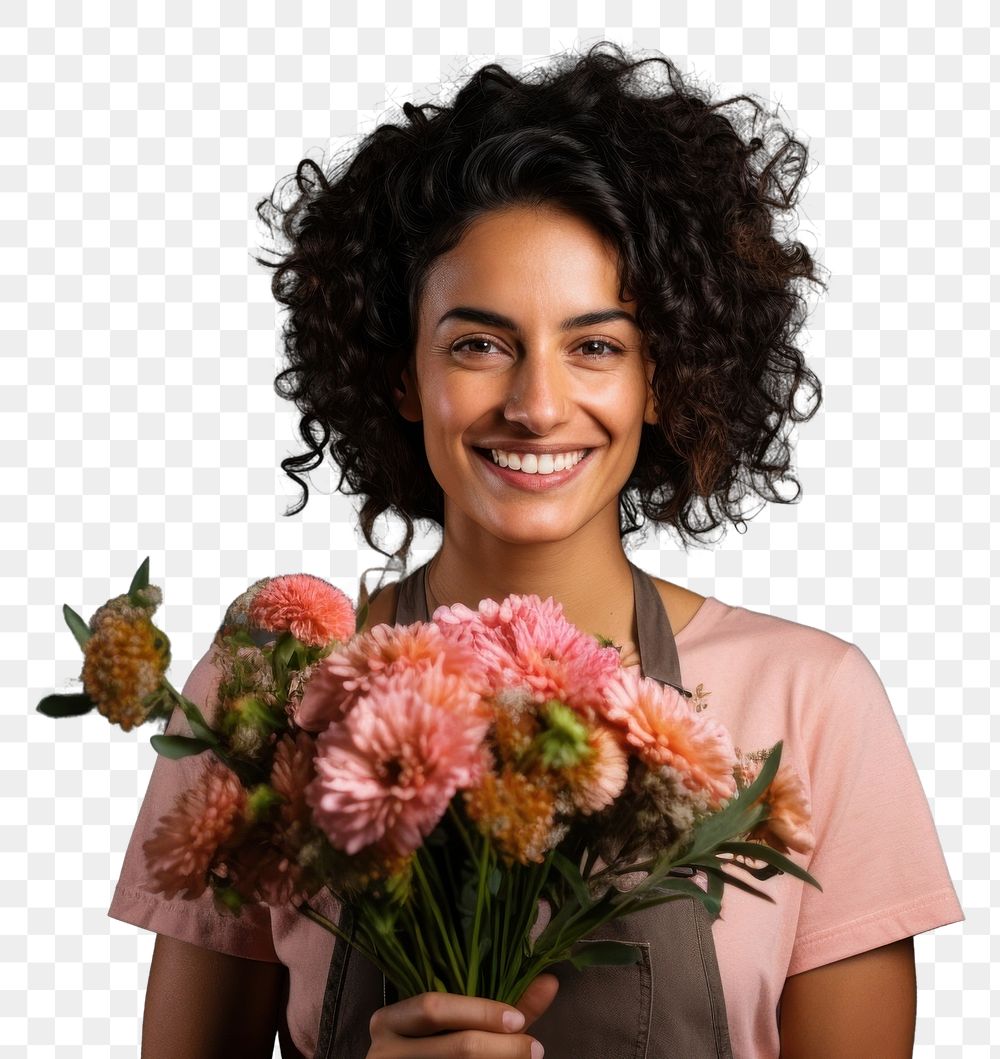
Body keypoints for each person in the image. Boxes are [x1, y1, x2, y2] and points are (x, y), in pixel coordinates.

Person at [108, 42, 964, 1058]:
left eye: (595, 346)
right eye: (478, 344)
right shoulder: (264, 691)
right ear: (397, 375)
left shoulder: (809, 701)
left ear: (666, 378)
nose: (536, 405)